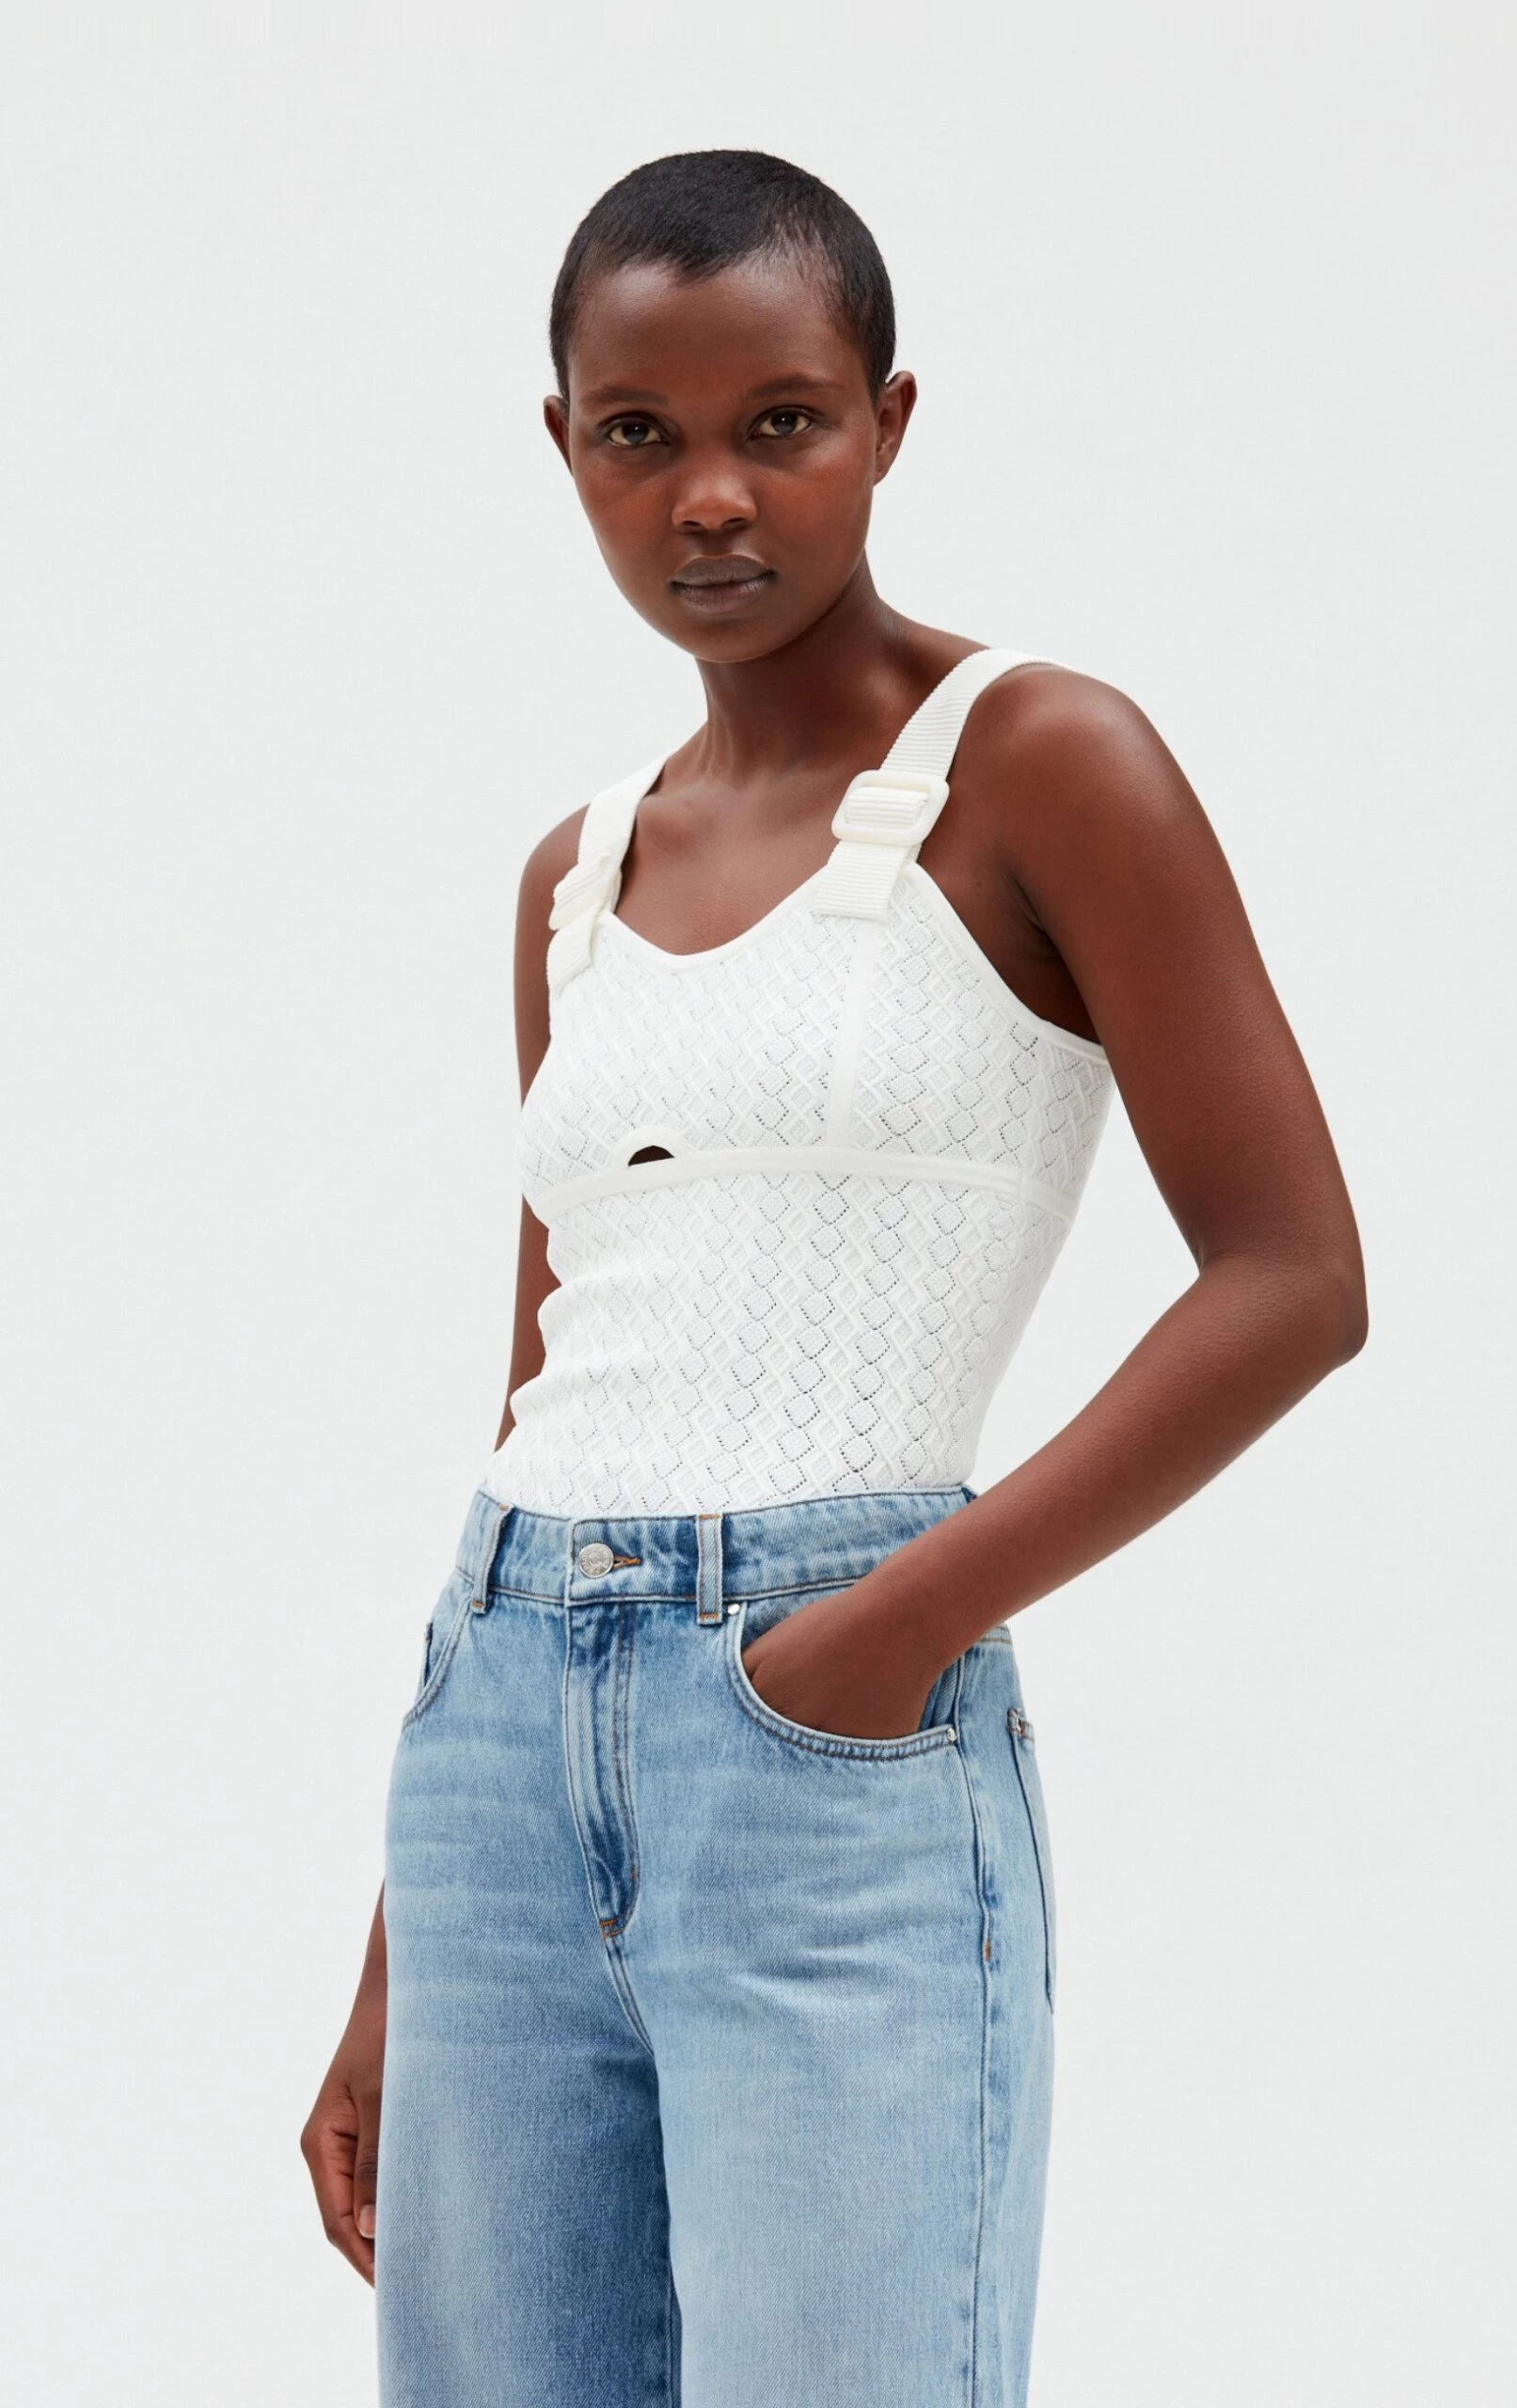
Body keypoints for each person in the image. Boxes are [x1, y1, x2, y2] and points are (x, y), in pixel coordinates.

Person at [301, 148, 1367, 2408]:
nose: (709, 494)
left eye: (776, 420)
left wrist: (881, 1634)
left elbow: (1292, 1274)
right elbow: (552, 1371)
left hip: (824, 1728)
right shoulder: (575, 874)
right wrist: (404, 1945)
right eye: (639, 432)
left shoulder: (1041, 761)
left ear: (886, 418)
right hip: (491, 1740)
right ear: (564, 445)